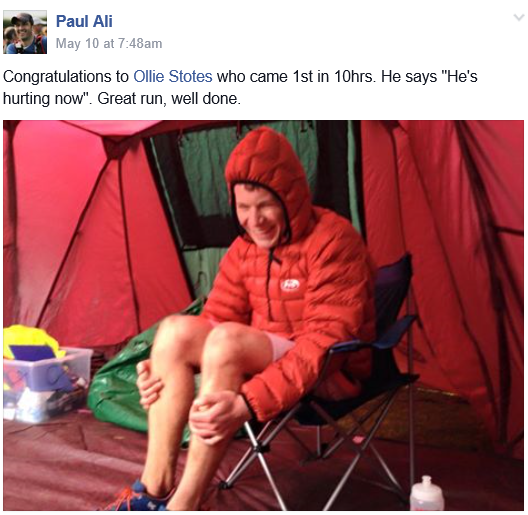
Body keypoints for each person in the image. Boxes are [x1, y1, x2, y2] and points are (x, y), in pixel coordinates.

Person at [104, 127, 376, 511]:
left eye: (265, 205)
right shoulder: (243, 249)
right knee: (175, 331)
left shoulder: (333, 240)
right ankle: (153, 488)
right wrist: (160, 365)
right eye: (243, 207)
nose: (254, 220)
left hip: (328, 370)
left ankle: (184, 505)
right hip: (261, 356)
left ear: (292, 199)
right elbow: (215, 319)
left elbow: (324, 345)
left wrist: (247, 402)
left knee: (227, 342)